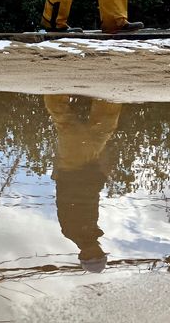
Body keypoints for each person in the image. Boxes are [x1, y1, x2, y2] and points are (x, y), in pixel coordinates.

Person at [45, 94, 121, 273]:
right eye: (99, 254)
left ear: (83, 255)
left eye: (92, 255)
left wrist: (90, 176)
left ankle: (54, 91)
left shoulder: (72, 231)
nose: (96, 251)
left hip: (73, 169)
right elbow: (91, 199)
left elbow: (68, 196)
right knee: (105, 126)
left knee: (68, 126)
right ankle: (109, 94)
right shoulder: (92, 231)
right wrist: (100, 175)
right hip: (89, 168)